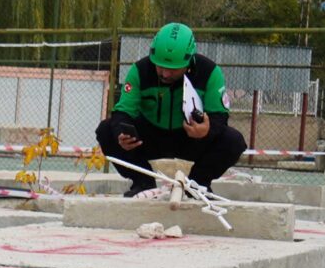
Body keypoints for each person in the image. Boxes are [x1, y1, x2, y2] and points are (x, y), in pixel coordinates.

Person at [96, 22, 245, 194]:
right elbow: (122, 112)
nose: (165, 74)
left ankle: (196, 186)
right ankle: (143, 184)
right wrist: (120, 135)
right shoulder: (139, 71)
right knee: (106, 130)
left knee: (234, 141)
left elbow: (220, 116)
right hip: (150, 139)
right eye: (160, 66)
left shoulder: (210, 72)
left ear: (189, 59)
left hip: (190, 138)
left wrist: (206, 131)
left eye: (173, 69)